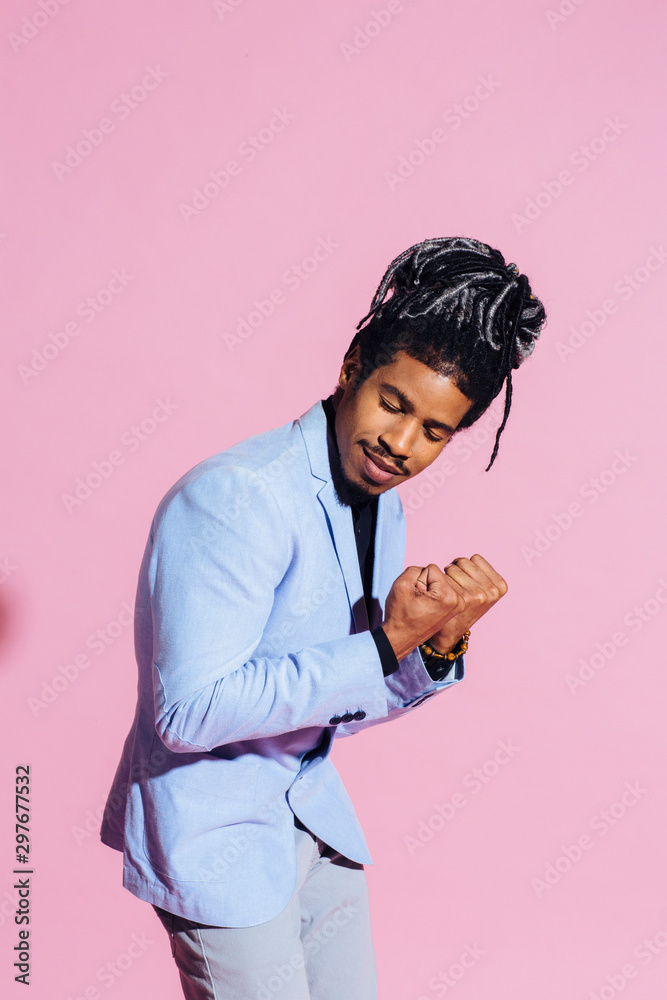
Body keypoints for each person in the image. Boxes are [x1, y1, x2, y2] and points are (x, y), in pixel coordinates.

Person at [100, 236, 546, 999]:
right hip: (216, 839)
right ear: (351, 369)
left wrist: (434, 649)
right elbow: (188, 712)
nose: (400, 445)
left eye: (433, 431)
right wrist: (388, 640)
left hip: (312, 822)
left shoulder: (381, 507)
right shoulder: (237, 495)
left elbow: (337, 703)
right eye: (392, 404)